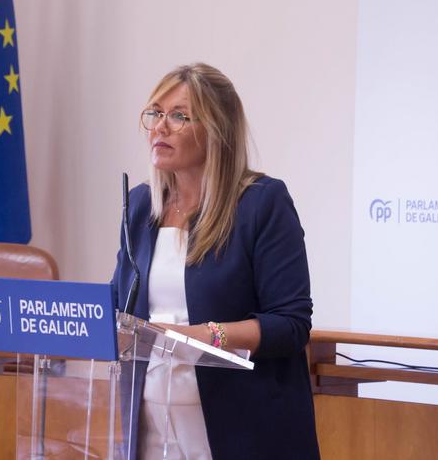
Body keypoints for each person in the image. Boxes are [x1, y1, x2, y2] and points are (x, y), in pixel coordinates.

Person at [111, 63, 320, 459]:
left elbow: (291, 324)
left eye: (178, 116)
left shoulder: (261, 204)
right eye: (155, 113)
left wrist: (205, 336)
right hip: (151, 429)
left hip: (238, 431)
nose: (159, 127)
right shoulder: (140, 206)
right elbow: (117, 302)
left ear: (217, 131)